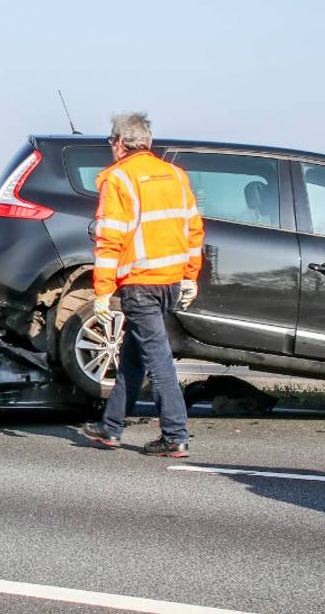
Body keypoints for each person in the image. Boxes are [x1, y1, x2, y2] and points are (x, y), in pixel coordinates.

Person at [81, 112, 204, 456]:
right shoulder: (176, 176)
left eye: (111, 142)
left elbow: (109, 240)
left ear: (119, 143)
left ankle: (175, 434)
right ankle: (111, 426)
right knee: (134, 355)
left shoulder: (118, 179)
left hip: (140, 284)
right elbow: (194, 230)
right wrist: (191, 275)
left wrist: (102, 291)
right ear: (147, 143)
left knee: (157, 359)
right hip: (170, 282)